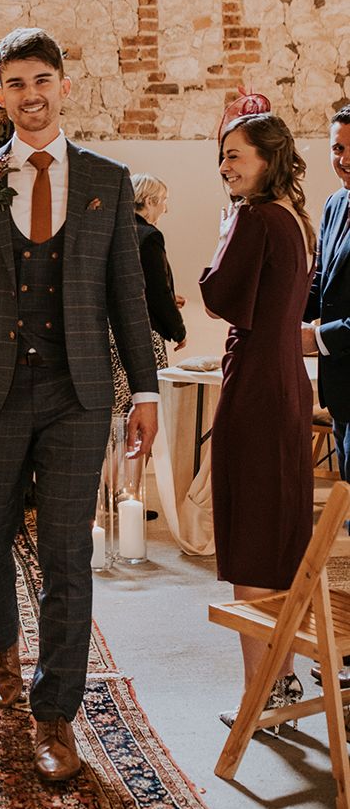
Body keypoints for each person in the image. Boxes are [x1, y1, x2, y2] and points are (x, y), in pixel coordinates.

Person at [0, 28, 159, 783]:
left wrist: (144, 389)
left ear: (63, 86)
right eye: (16, 83)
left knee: (66, 553)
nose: (31, 95)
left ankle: (55, 715)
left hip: (77, 393)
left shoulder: (108, 179)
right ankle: (3, 647)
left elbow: (128, 293)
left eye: (42, 80)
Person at [200, 113, 315, 729]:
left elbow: (219, 296)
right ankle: (284, 679)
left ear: (268, 159)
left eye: (236, 156)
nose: (225, 166)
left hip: (255, 389)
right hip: (289, 383)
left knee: (250, 537)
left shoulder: (252, 217)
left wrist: (223, 235)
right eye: (223, 156)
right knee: (281, 535)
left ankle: (262, 691)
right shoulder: (295, 218)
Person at [302, 104, 350, 690]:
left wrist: (316, 338)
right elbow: (318, 283)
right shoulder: (336, 204)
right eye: (337, 148)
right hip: (343, 388)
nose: (343, 159)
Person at [110, 173, 187, 414]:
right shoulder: (149, 236)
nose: (166, 208)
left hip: (109, 334)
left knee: (115, 411)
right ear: (150, 201)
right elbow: (157, 291)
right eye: (163, 201)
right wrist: (178, 330)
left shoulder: (113, 231)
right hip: (141, 334)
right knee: (140, 408)